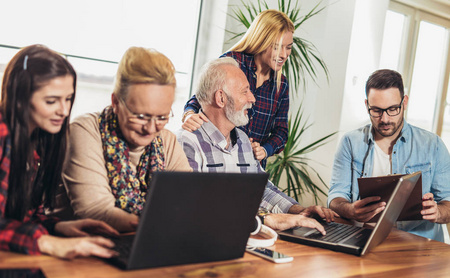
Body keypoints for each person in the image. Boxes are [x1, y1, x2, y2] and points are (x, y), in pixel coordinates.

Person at [177, 57, 338, 233]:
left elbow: (261, 190)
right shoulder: (188, 143)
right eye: (245, 91)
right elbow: (196, 207)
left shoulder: (244, 141)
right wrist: (266, 219)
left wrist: (300, 211)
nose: (252, 98)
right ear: (221, 98)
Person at [0, 45, 119, 258]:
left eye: (68, 99)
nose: (63, 111)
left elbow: (23, 220)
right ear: (21, 98)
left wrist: (60, 228)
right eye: (51, 101)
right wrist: (47, 243)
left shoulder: (41, 140)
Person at [62, 47, 192, 233]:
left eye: (162, 117)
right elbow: (96, 211)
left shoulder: (167, 141)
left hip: (143, 243)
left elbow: (187, 200)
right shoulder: (85, 130)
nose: (150, 128)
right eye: (140, 116)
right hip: (82, 249)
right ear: (115, 102)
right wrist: (161, 222)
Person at [328, 69, 450, 242]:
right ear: (366, 105)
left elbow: (448, 201)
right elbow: (336, 196)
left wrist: (437, 212)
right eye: (376, 110)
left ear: (404, 102)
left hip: (418, 244)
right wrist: (350, 210)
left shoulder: (433, 145)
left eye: (393, 109)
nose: (384, 119)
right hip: (364, 239)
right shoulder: (350, 142)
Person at [182, 9, 294, 168]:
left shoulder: (281, 84)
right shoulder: (233, 64)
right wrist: (189, 114)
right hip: (218, 159)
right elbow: (201, 97)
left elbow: (281, 133)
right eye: (277, 47)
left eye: (288, 47)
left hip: (251, 166)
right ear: (262, 40)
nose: (284, 54)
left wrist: (265, 150)